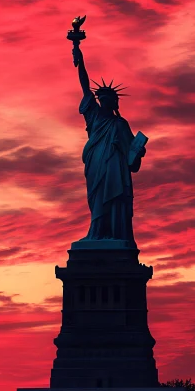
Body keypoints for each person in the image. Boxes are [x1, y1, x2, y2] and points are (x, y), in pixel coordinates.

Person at [72, 41, 146, 246]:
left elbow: (132, 157)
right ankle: (97, 231)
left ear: (114, 103)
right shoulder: (93, 116)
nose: (105, 103)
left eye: (108, 100)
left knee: (115, 197)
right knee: (97, 197)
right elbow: (85, 86)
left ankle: (114, 233)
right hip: (96, 162)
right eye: (101, 100)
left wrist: (139, 151)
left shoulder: (121, 124)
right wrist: (80, 57)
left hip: (116, 168)